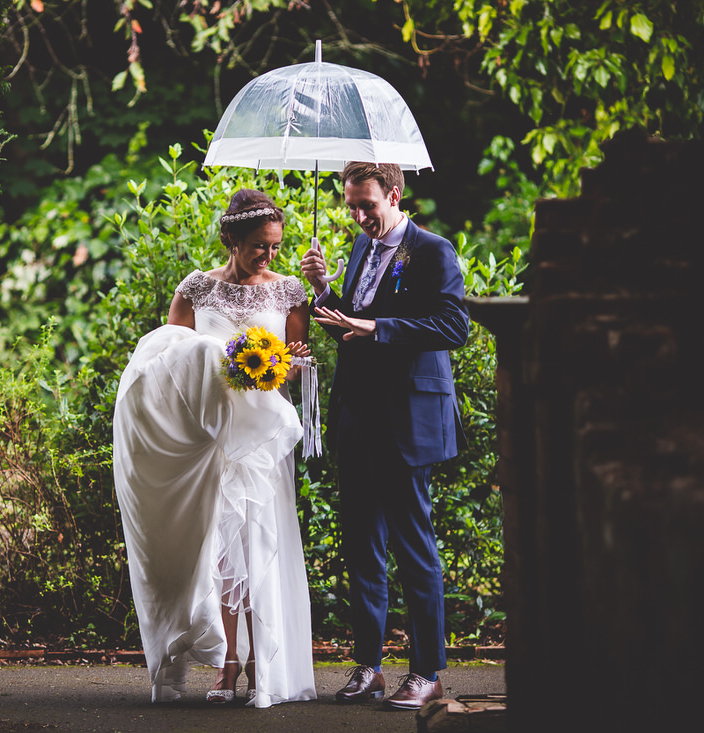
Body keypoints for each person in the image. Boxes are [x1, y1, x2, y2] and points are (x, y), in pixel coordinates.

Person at [113, 189, 318, 708]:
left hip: (260, 443)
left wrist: (281, 366)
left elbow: (298, 361)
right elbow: (167, 363)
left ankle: (263, 668)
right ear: (231, 239)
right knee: (222, 551)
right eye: (258, 246)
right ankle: (228, 663)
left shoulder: (290, 292)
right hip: (208, 444)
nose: (268, 255)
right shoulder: (196, 289)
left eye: (274, 246)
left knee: (257, 543)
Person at [299, 162, 469, 711]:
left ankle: (426, 673)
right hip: (358, 416)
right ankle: (368, 667)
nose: (357, 215)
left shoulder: (433, 250)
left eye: (367, 205)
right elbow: (352, 319)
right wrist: (326, 290)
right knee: (362, 546)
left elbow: (453, 326)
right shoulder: (358, 249)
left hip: (407, 419)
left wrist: (379, 328)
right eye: (351, 205)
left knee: (414, 546)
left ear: (394, 195)